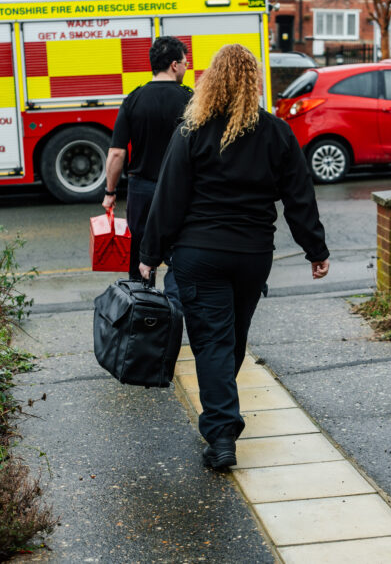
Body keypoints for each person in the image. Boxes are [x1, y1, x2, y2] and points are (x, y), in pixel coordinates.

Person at [138, 44, 330, 471]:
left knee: (213, 342)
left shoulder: (193, 130)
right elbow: (299, 197)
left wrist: (149, 254)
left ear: (213, 81)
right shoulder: (276, 132)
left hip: (199, 254)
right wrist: (315, 249)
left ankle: (222, 434)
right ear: (253, 82)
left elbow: (169, 199)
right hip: (251, 255)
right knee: (230, 339)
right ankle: (221, 420)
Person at [102, 36, 191, 280]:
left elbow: (117, 152)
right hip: (179, 190)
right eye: (185, 63)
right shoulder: (190, 99)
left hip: (142, 190)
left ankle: (144, 311)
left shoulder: (133, 99)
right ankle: (177, 308)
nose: (186, 67)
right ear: (174, 65)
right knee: (180, 255)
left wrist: (110, 193)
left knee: (141, 258)